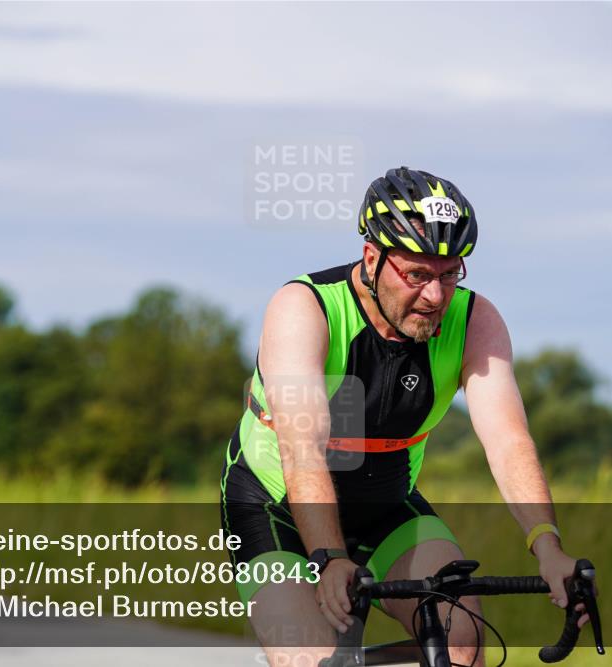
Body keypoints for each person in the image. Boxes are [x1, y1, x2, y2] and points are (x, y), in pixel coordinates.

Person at [221, 167, 587, 667]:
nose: (436, 296)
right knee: (312, 657)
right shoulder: (304, 309)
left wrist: (547, 545)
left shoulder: (475, 320)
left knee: (462, 638)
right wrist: (328, 558)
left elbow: (507, 441)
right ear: (372, 259)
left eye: (449, 274)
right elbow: (301, 449)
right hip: (277, 504)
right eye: (417, 275)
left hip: (387, 505)